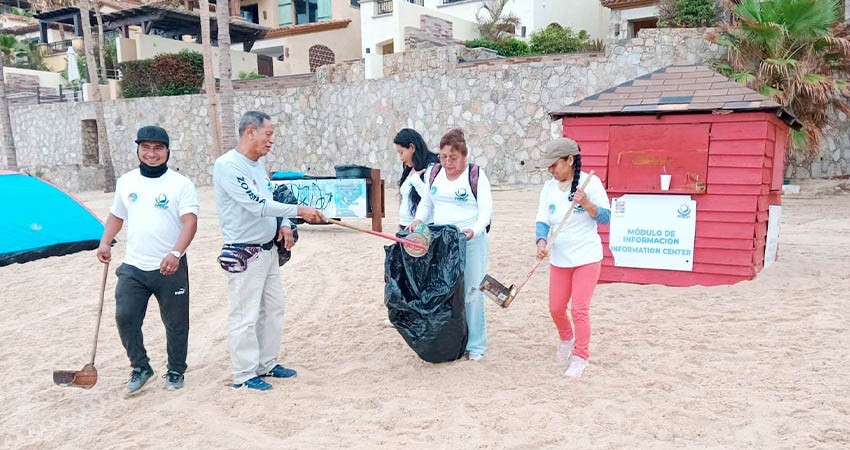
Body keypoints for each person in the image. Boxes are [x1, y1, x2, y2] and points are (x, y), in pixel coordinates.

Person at [213, 110, 325, 391]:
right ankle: (243, 374)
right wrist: (300, 211)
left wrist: (286, 222)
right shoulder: (228, 166)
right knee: (245, 315)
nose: (272, 140)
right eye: (269, 134)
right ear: (250, 132)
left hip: (268, 251)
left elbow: (271, 197)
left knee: (274, 309)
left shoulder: (257, 166)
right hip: (244, 253)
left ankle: (266, 364)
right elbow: (257, 205)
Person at [97, 125, 199, 394]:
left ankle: (176, 370)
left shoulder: (181, 184)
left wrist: (176, 253)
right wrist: (105, 241)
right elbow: (117, 215)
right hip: (134, 266)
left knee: (176, 323)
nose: (151, 154)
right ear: (138, 149)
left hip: (170, 266)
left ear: (167, 151)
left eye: (158, 148)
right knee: (125, 317)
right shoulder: (127, 181)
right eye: (146, 148)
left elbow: (190, 223)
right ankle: (141, 367)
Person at [409, 128, 493, 362]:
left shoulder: (476, 175)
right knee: (445, 289)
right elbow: (426, 204)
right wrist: (418, 220)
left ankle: (476, 344)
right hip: (442, 241)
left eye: (453, 158)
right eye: (444, 157)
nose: (448, 162)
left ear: (464, 156)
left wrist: (473, 231)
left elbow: (485, 212)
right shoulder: (435, 173)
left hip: (470, 240)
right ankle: (454, 339)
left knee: (472, 292)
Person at [533, 138, 610, 378]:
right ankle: (567, 338)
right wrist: (541, 242)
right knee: (556, 308)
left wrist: (587, 203)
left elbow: (606, 217)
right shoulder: (548, 188)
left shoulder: (591, 182)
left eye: (555, 165)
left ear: (569, 160)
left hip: (587, 257)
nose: (551, 170)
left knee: (579, 308)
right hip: (560, 257)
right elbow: (542, 220)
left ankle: (580, 356)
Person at [393, 128, 439, 229]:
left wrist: (416, 180)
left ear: (412, 147)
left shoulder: (431, 169)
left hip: (421, 228)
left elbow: (431, 198)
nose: (400, 158)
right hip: (405, 227)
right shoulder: (410, 169)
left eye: (401, 152)